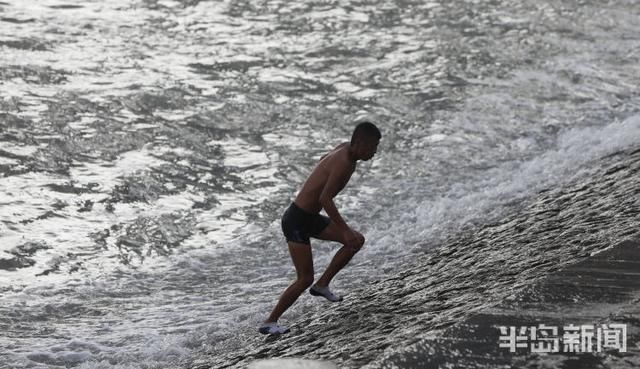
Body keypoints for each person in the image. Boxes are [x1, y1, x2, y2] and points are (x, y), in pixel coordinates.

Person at [259, 121, 381, 335]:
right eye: (372, 147)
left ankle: (322, 285)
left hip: (309, 216)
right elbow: (325, 198)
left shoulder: (345, 148)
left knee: (356, 241)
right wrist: (344, 229)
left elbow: (322, 161)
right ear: (360, 143)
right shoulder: (343, 162)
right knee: (304, 278)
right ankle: (270, 321)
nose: (374, 152)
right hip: (296, 220)